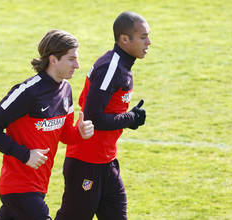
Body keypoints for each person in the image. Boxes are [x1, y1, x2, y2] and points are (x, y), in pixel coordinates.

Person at [0, 29, 94, 220]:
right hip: (19, 186)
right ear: (53, 59)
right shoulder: (27, 92)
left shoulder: (65, 89)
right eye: (71, 59)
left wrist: (80, 132)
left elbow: (64, 134)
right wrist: (25, 155)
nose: (78, 65)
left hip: (39, 184)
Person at [55, 11, 151, 220]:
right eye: (143, 37)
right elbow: (93, 118)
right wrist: (131, 119)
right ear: (124, 39)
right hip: (85, 161)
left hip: (107, 161)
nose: (149, 42)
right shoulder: (111, 67)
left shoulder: (121, 66)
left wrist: (128, 118)